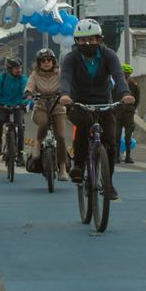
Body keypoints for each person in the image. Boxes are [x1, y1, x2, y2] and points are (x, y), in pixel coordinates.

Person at [58, 19, 134, 200]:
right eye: (83, 40)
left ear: (99, 39)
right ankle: (78, 165)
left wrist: (125, 94)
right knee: (84, 123)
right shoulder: (71, 58)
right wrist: (65, 95)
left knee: (111, 140)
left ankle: (109, 183)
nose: (87, 43)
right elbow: (65, 77)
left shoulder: (109, 55)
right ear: (77, 41)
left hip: (103, 102)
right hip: (78, 103)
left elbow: (118, 76)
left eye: (91, 39)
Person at [24, 48, 68, 179]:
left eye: (49, 60)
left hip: (58, 108)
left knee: (60, 137)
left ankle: (62, 169)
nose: (46, 62)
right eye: (43, 60)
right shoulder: (35, 74)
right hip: (41, 107)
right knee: (43, 123)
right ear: (39, 63)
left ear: (53, 62)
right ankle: (38, 143)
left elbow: (66, 85)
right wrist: (28, 93)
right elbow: (29, 85)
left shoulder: (60, 73)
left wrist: (67, 94)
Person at [0, 57, 27, 163]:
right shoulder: (1, 77)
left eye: (20, 67)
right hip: (2, 104)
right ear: (9, 69)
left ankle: (20, 155)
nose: (19, 70)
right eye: (16, 68)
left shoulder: (22, 79)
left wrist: (28, 101)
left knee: (20, 129)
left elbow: (26, 91)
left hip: (18, 105)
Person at [116, 63, 140, 163]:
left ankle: (128, 156)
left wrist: (132, 108)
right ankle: (116, 156)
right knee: (116, 135)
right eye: (125, 73)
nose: (126, 75)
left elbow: (137, 99)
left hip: (129, 114)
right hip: (117, 113)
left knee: (128, 135)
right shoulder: (116, 84)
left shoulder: (134, 85)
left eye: (127, 73)